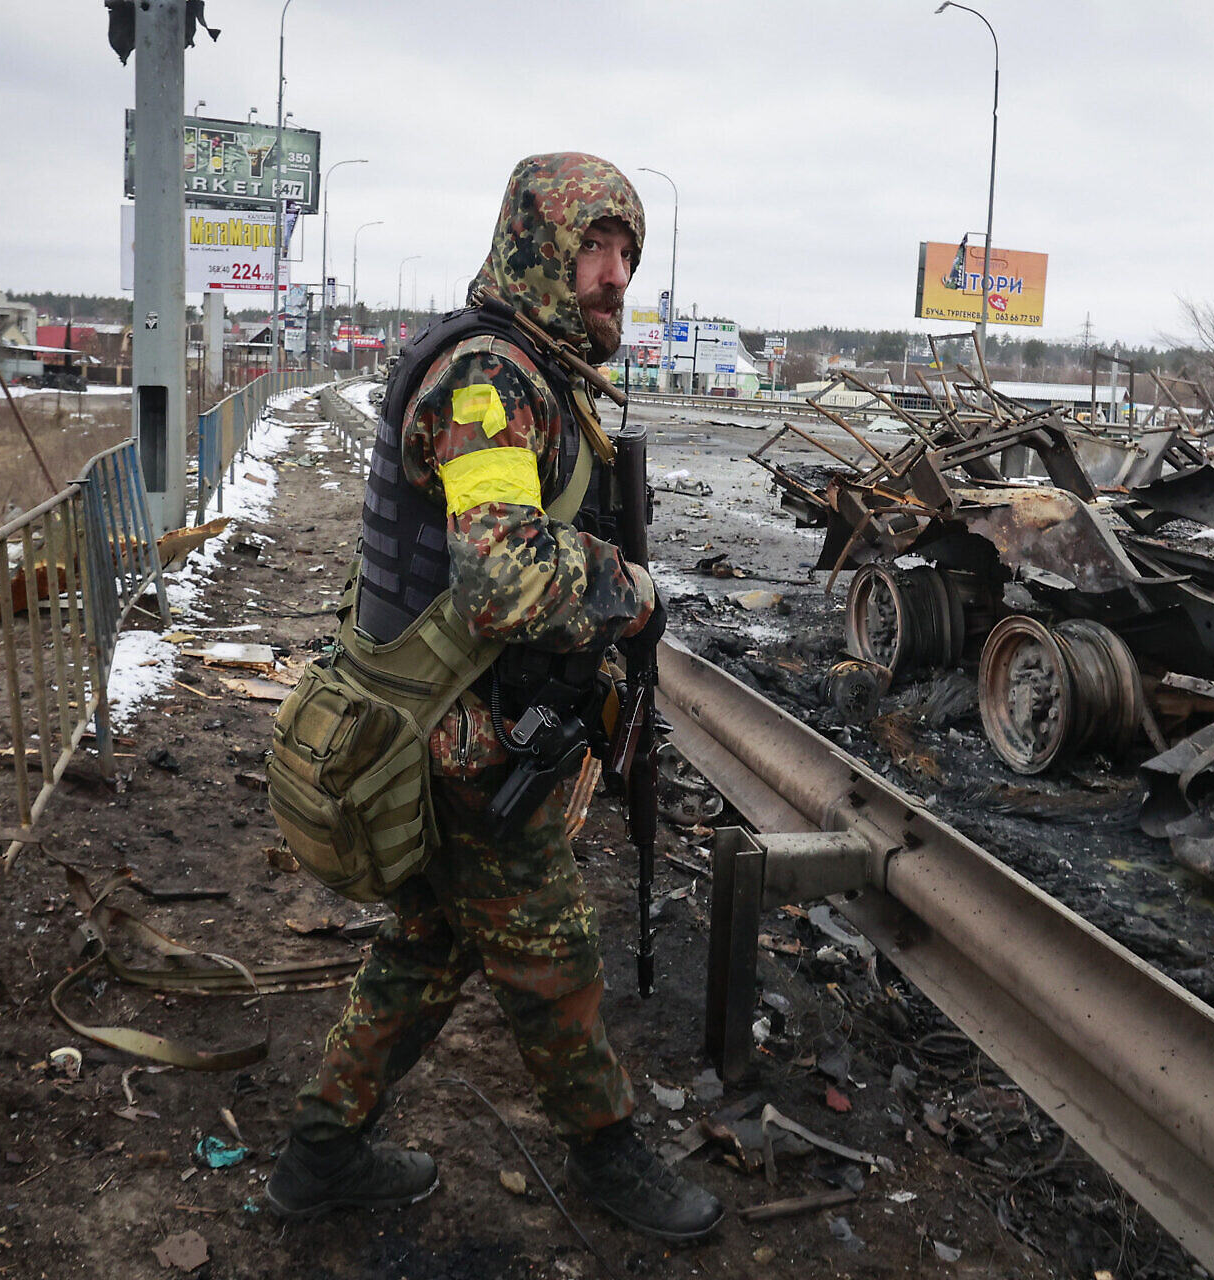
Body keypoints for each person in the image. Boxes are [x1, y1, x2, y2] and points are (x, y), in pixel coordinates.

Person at [265, 153, 723, 1243]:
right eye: (592, 250)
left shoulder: (533, 368)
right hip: (455, 737)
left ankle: (314, 1158)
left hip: (451, 723)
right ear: (536, 249)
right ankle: (611, 1154)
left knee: (429, 940)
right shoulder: (489, 379)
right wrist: (638, 589)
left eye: (626, 254)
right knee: (550, 951)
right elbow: (506, 571)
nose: (614, 275)